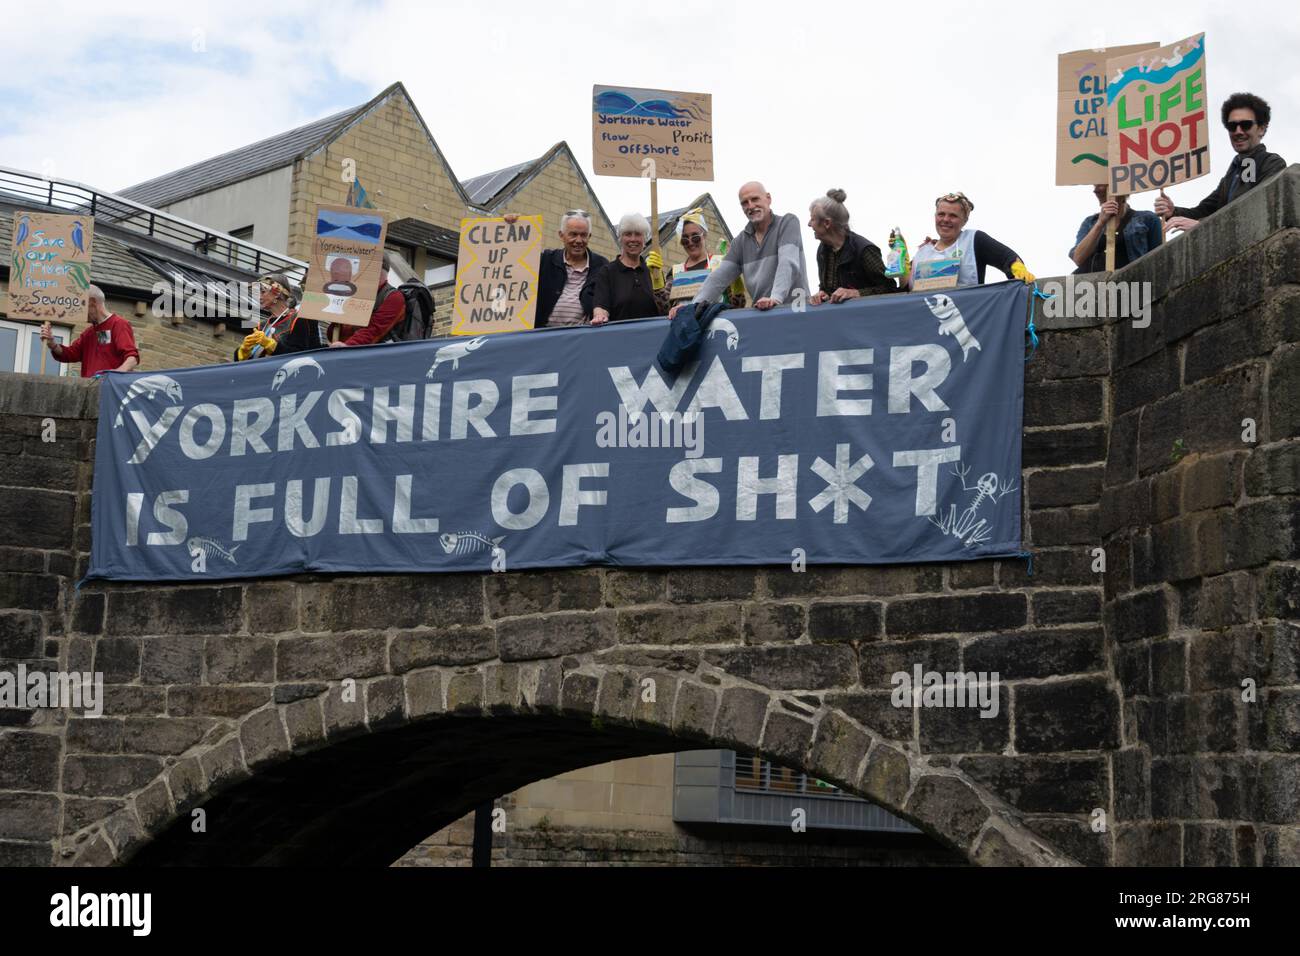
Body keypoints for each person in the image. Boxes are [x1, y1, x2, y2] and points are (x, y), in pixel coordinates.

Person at [669, 181, 809, 320]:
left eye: (755, 199)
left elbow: (788, 262)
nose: (751, 206)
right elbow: (718, 278)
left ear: (768, 198)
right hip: (764, 315)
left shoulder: (788, 223)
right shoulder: (740, 242)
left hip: (796, 311)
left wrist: (775, 298)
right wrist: (693, 306)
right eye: (744, 203)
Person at [1154, 92, 1287, 233]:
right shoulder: (1232, 174)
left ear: (1262, 129)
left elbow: (1259, 212)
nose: (1238, 131)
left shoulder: (1271, 164)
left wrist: (1201, 225)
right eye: (1232, 126)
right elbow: (1203, 211)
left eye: (1245, 125)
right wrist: (1173, 212)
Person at [905, 192, 1035, 290]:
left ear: (965, 220)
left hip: (967, 318)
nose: (945, 219)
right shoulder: (923, 252)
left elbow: (1006, 257)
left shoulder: (974, 240)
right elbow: (904, 291)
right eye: (941, 214)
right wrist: (901, 260)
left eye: (953, 216)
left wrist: (1018, 270)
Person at [807, 188, 896, 304]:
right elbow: (827, 289)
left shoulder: (864, 250)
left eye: (812, 219)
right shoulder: (823, 250)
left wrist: (856, 293)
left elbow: (890, 288)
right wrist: (823, 294)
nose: (809, 224)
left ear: (827, 223)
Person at [646, 208, 746, 308]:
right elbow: (665, 309)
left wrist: (737, 290)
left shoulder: (721, 264)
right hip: (686, 322)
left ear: (704, 235)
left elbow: (738, 307)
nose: (690, 242)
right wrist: (657, 282)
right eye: (685, 239)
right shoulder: (675, 271)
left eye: (695, 237)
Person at [530, 210, 609, 328]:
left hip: (582, 337)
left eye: (583, 235)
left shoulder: (601, 265)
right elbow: (515, 266)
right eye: (573, 234)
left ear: (589, 237)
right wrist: (511, 224)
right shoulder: (546, 260)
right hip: (544, 335)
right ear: (561, 235)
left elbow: (606, 299)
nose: (578, 240)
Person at [39, 284, 139, 376]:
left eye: (81, 306)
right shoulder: (88, 333)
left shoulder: (118, 324)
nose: (79, 312)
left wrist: (116, 374)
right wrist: (52, 343)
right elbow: (70, 354)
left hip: (110, 389)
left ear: (92, 302)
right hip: (89, 390)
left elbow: (132, 358)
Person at [590, 213, 667, 325]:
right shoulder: (607, 272)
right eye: (628, 234)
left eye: (638, 234)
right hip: (620, 337)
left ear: (645, 239)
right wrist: (600, 316)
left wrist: (659, 283)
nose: (633, 239)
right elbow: (601, 306)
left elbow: (664, 311)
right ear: (620, 238)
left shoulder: (652, 271)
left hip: (651, 336)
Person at [1070, 184, 1163, 272]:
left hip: (1131, 285)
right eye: (1095, 185)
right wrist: (1100, 223)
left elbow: (1159, 260)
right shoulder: (1090, 222)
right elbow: (1078, 258)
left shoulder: (1148, 219)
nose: (1095, 190)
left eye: (1102, 185)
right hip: (1093, 286)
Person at [234, 273, 325, 361]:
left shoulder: (299, 319)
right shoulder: (261, 326)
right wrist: (243, 351)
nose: (258, 297)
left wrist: (272, 346)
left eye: (262, 292)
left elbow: (300, 356)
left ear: (277, 293)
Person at [329, 252, 405, 347]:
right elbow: (334, 332)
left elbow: (374, 330)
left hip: (375, 357)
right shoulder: (356, 293)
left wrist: (347, 346)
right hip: (345, 354)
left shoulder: (394, 298)